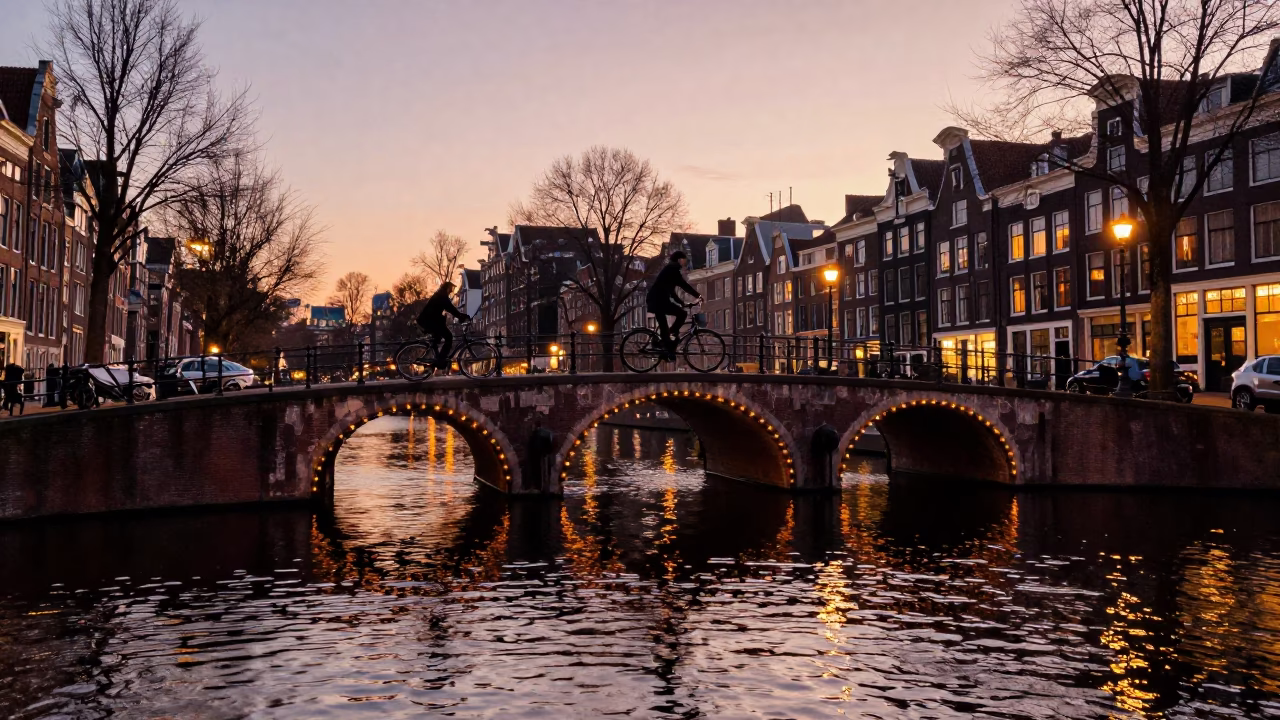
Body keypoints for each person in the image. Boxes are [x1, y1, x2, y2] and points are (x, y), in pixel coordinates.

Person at [646, 251, 701, 358]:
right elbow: (684, 285)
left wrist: (681, 302)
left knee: (668, 323)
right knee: (680, 316)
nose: (684, 263)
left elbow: (672, 291)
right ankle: (667, 341)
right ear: (679, 260)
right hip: (658, 301)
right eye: (684, 260)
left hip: (658, 300)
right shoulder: (672, 270)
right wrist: (698, 296)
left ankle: (665, 346)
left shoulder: (669, 270)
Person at [416, 282, 470, 368]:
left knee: (438, 338)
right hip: (429, 321)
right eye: (451, 288)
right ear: (447, 288)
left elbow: (450, 308)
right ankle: (440, 361)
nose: (452, 290)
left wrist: (460, 315)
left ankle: (436, 358)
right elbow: (450, 308)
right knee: (449, 337)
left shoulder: (440, 295)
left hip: (429, 320)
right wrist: (460, 316)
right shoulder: (442, 297)